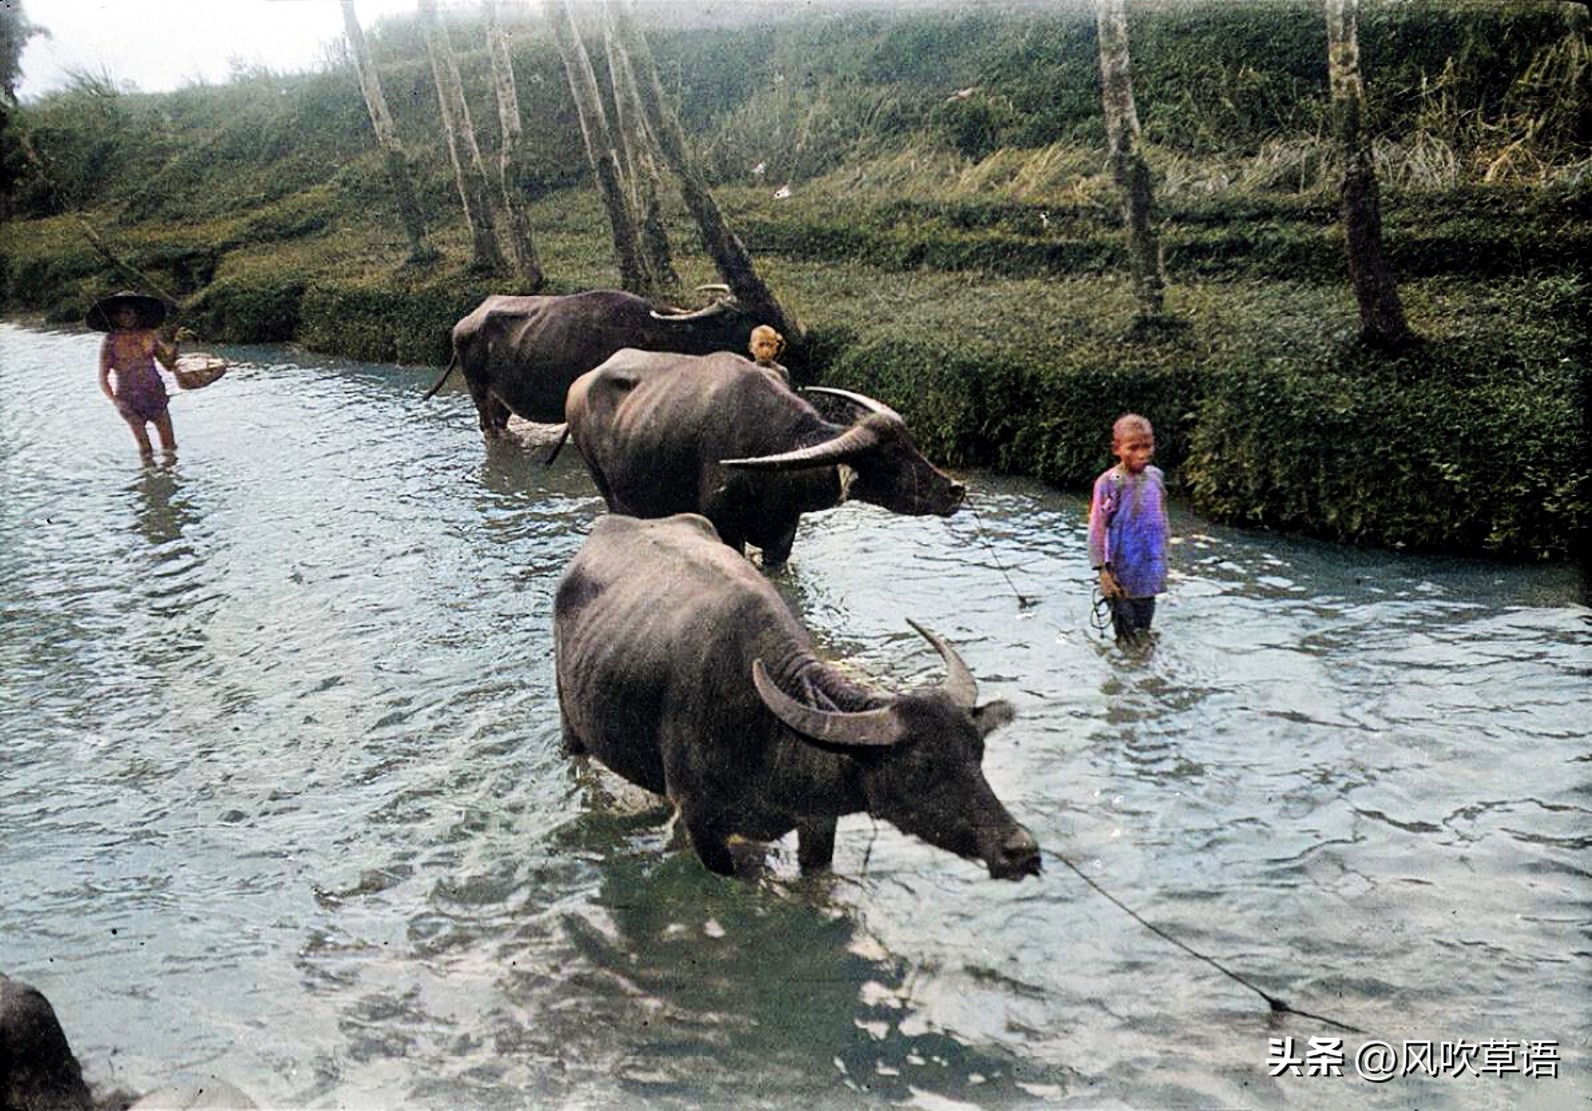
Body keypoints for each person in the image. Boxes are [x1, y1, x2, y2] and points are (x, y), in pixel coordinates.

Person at [1087, 413, 1170, 644]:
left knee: (1144, 628)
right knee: (1124, 634)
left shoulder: (1155, 476)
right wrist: (1102, 571)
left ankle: (1144, 673)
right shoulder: (1111, 480)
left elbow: (1162, 518)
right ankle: (1123, 672)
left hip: (1148, 571)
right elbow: (1097, 527)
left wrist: (1165, 556)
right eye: (1133, 448)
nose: (1142, 454)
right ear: (1117, 448)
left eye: (1147, 446)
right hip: (1120, 574)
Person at [89, 290, 185, 458]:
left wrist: (177, 342)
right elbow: (103, 377)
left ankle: (171, 480)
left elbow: (168, 365)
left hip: (155, 396)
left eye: (132, 312)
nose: (128, 316)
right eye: (123, 313)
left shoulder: (149, 335)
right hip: (129, 400)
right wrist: (115, 401)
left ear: (138, 314)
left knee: (170, 446)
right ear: (115, 317)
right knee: (146, 450)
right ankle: (149, 480)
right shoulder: (111, 341)